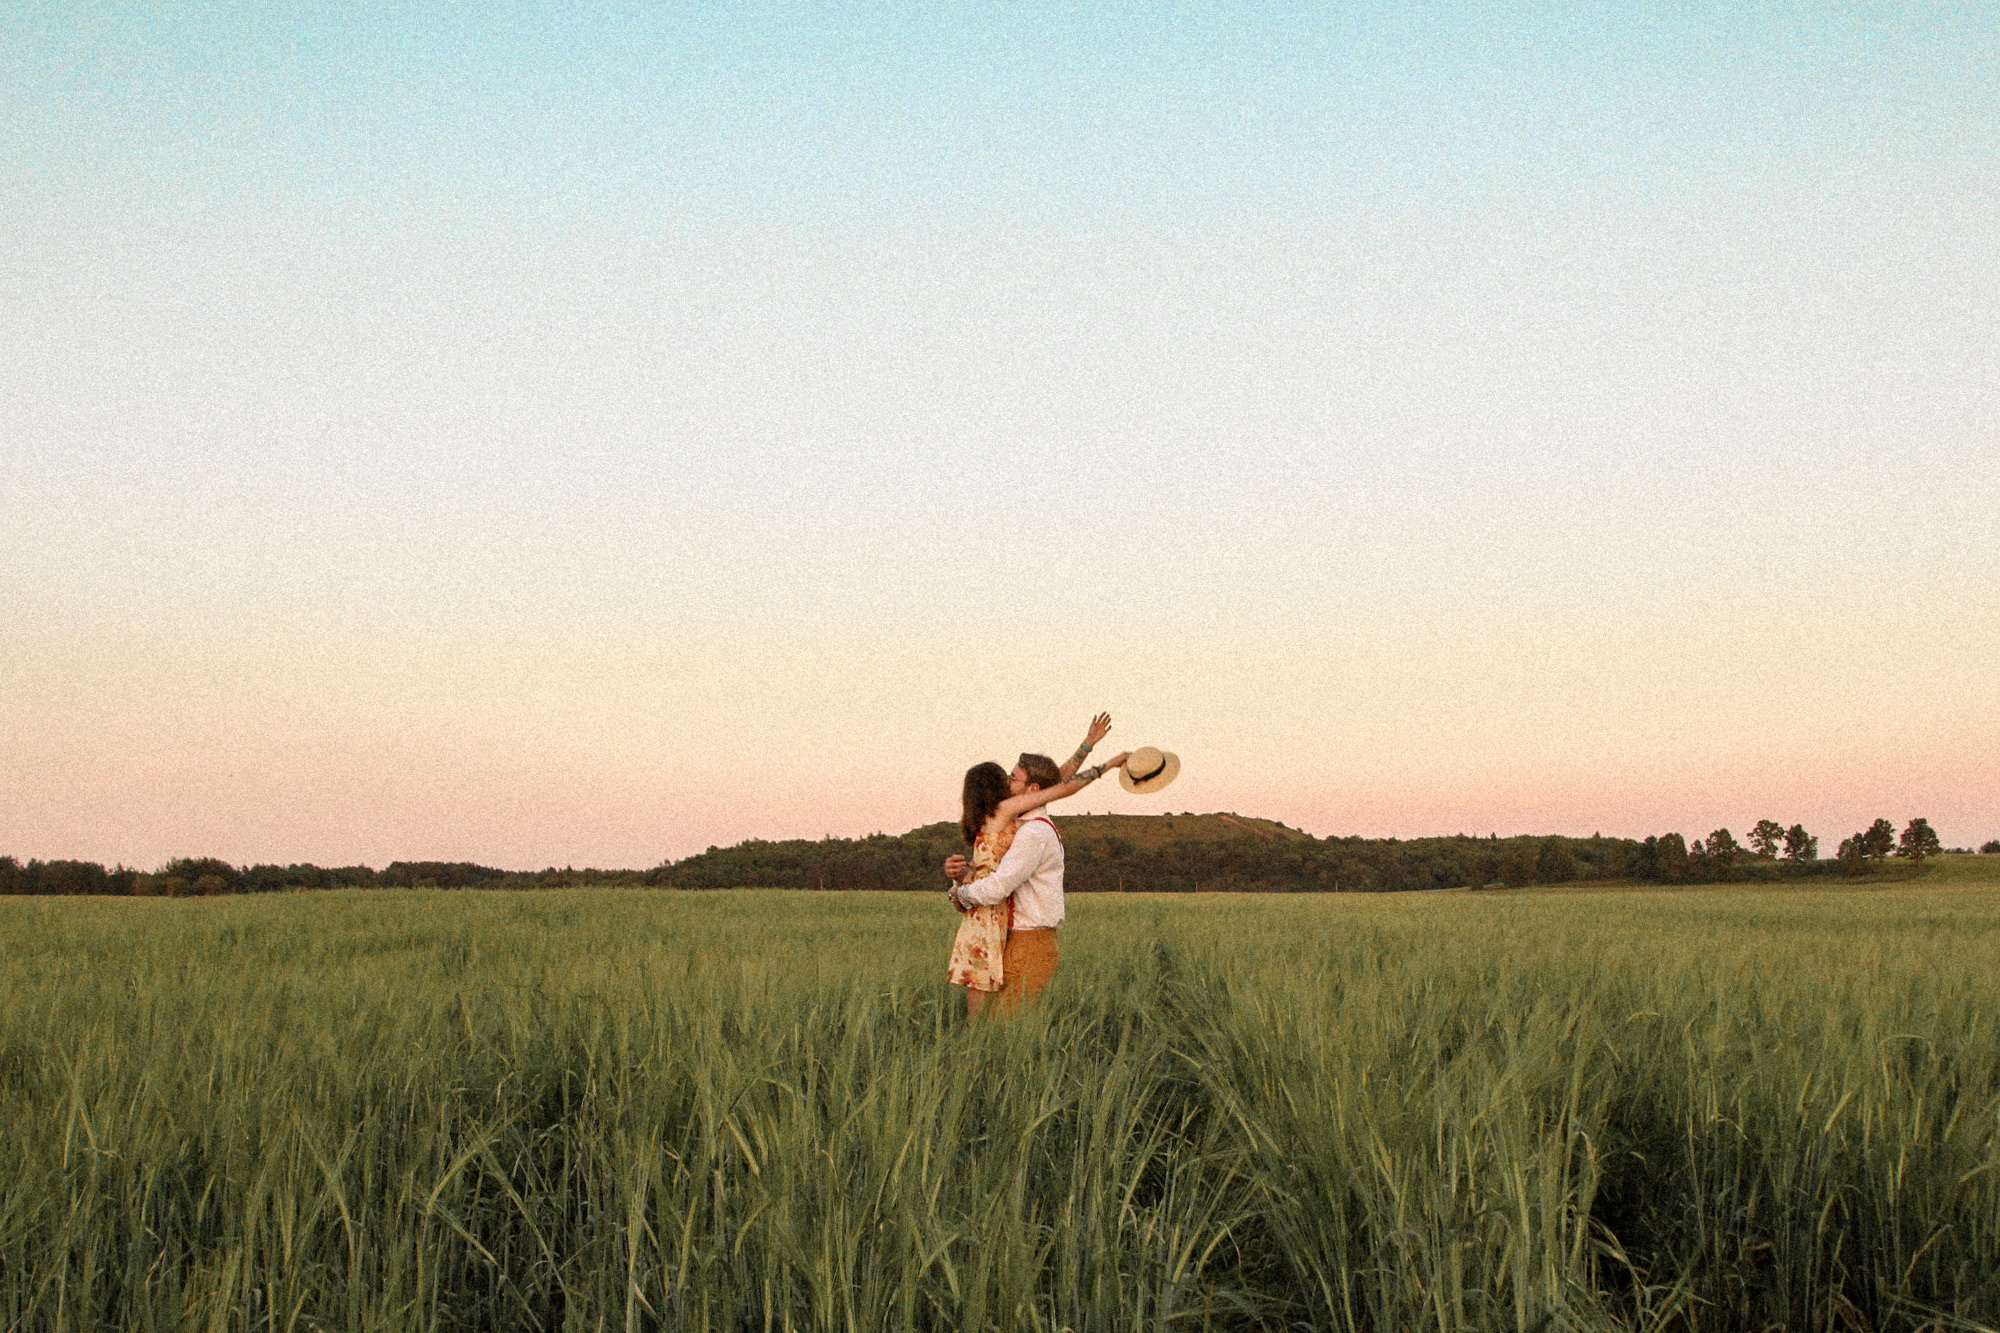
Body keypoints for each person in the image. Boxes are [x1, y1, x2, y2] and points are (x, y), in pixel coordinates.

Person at [944, 714, 1127, 1015]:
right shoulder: (1005, 811)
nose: (1009, 781)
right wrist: (1108, 764)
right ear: (995, 788)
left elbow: (1055, 781)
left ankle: (974, 1050)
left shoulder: (1007, 815)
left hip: (993, 915)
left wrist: (1087, 745)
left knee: (989, 1006)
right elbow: (1061, 788)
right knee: (984, 1010)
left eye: (1012, 777)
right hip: (989, 915)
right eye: (1006, 777)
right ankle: (973, 1051)